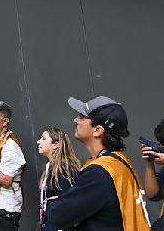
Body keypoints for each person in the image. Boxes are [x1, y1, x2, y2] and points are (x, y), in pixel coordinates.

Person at [45, 96, 151, 231]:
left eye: (82, 116)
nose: (75, 120)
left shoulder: (99, 173)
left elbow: (57, 215)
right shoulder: (118, 162)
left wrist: (53, 201)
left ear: (98, 130)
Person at [36, 127, 81, 231]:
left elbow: (71, 203)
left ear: (55, 145)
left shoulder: (66, 169)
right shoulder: (49, 167)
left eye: (43, 138)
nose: (38, 141)